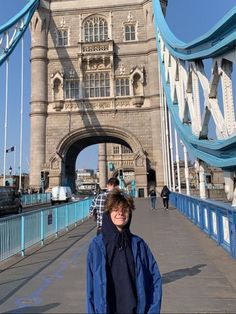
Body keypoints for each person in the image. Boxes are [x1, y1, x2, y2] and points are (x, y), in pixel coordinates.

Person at [86, 189, 162, 314]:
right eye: (115, 209)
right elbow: (90, 288)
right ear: (108, 212)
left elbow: (155, 280)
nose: (120, 213)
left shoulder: (139, 245)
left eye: (125, 209)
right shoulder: (96, 246)